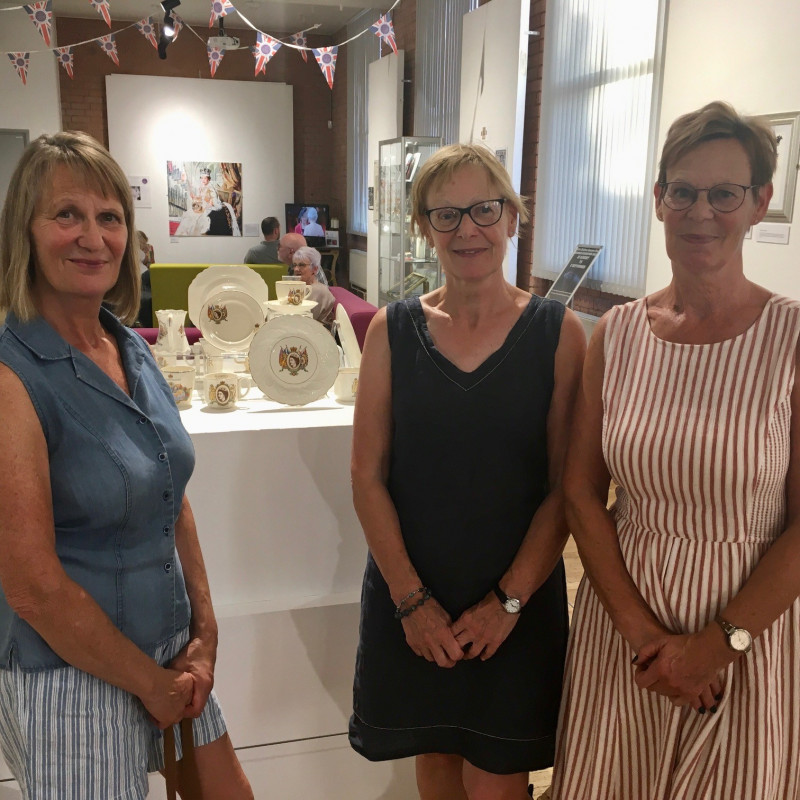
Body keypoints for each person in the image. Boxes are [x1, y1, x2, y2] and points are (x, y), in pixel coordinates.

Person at [552, 101, 800, 799]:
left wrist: (715, 647)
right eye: (683, 191)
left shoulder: (791, 340)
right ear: (658, 199)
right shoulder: (619, 333)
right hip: (625, 628)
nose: (702, 212)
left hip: (747, 634)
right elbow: (580, 492)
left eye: (726, 194)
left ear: (760, 204)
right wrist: (643, 636)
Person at [0, 131, 253, 799]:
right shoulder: (12, 373)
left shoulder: (128, 347)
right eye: (67, 215)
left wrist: (205, 631)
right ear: (24, 233)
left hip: (172, 654)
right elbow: (31, 586)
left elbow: (172, 497)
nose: (92, 237)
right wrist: (151, 684)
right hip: (70, 675)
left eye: (109, 217)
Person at [348, 143, 585, 799]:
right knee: (437, 768)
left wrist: (507, 602)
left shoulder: (558, 336)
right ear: (425, 228)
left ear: (513, 217)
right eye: (445, 215)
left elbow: (566, 490)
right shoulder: (392, 332)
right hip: (412, 598)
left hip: (514, 603)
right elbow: (367, 476)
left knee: (499, 780)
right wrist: (412, 603)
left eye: (484, 209)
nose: (467, 230)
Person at [292, 245, 335, 330]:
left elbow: (303, 320)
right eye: (295, 265)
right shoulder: (301, 287)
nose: (296, 269)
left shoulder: (317, 290)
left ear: (314, 269)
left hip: (316, 335)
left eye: (302, 265)